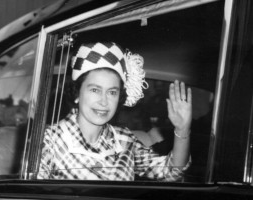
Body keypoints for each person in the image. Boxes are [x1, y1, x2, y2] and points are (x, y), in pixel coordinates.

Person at [37, 42, 192, 181]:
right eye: (95, 90)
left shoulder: (124, 140)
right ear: (77, 93)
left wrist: (182, 129)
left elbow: (171, 173)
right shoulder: (50, 140)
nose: (104, 102)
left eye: (112, 92)